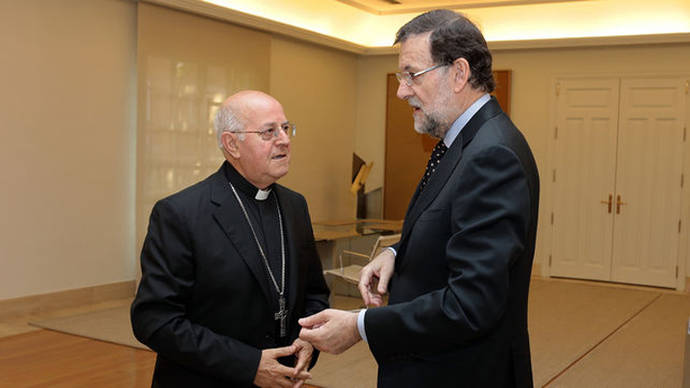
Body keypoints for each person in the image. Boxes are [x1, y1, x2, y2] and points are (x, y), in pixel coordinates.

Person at [299, 9, 539, 387]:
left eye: (412, 74)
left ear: (459, 73)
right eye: (400, 76)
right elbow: (447, 223)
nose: (401, 90)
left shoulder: (492, 155)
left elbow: (470, 305)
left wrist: (360, 324)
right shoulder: (466, 141)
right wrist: (396, 253)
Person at [131, 90, 330, 388]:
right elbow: (155, 320)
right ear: (231, 144)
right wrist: (249, 366)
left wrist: (308, 339)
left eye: (286, 129)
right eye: (269, 132)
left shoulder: (294, 205)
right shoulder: (179, 214)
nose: (285, 140)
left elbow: (314, 291)